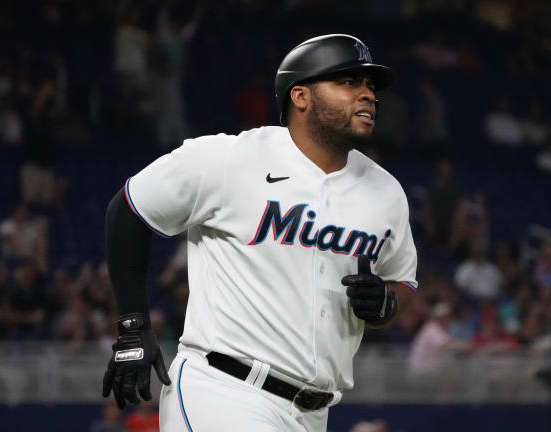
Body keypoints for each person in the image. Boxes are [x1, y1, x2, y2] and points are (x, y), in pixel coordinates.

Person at [101, 34, 418, 432]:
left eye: (370, 85)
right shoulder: (231, 158)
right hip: (223, 390)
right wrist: (133, 326)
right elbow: (128, 208)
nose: (368, 94)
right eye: (349, 82)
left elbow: (403, 282)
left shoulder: (386, 192)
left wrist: (387, 304)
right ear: (301, 96)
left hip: (313, 413)